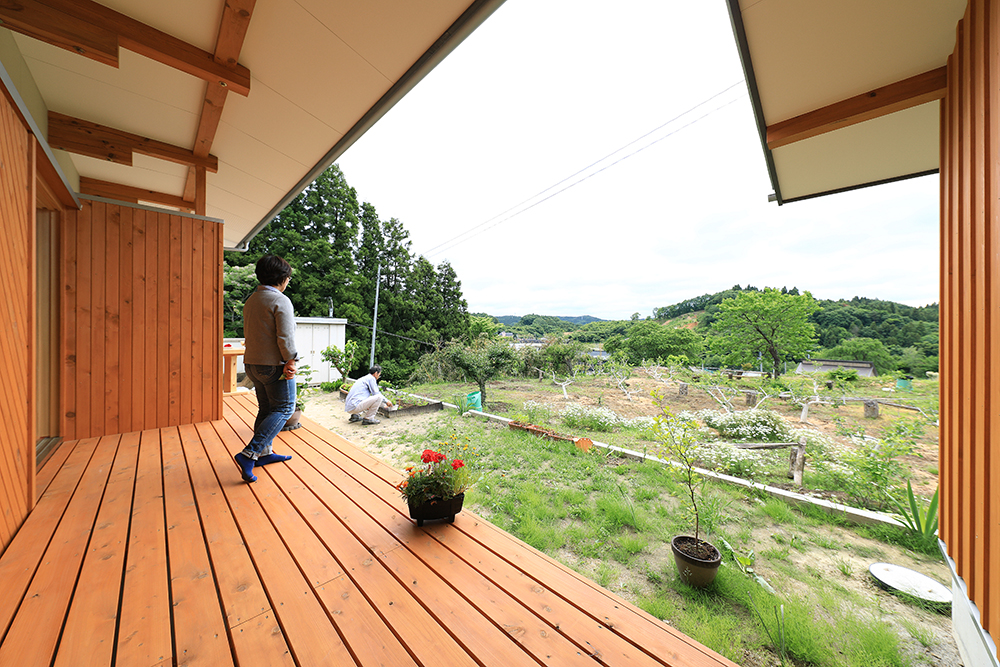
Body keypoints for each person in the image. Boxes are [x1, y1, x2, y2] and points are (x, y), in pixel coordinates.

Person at [234, 255, 298, 483]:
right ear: (282, 278)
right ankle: (250, 453)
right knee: (285, 408)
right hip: (274, 366)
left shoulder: (252, 300)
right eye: (288, 278)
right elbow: (285, 336)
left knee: (266, 408)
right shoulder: (280, 300)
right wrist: (291, 360)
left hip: (252, 364)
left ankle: (264, 453)